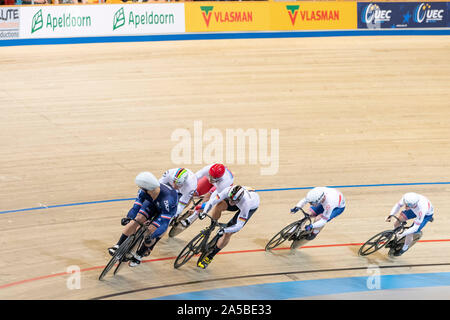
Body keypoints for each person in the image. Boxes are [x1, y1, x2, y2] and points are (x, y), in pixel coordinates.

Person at [108, 171, 178, 267]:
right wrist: (129, 217)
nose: (140, 189)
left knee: (151, 230)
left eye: (141, 187)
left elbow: (164, 223)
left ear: (147, 189)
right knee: (138, 218)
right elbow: (136, 206)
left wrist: (152, 236)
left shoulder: (167, 200)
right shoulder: (144, 191)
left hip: (165, 210)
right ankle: (118, 245)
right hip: (152, 204)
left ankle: (139, 254)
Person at [197, 185, 260, 269]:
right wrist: (204, 212)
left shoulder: (246, 203)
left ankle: (210, 256)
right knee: (219, 205)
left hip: (249, 206)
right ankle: (212, 225)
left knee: (229, 233)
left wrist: (225, 231)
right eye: (229, 199)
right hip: (237, 199)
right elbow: (212, 201)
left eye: (233, 201)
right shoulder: (227, 191)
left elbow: (239, 225)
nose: (230, 202)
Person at [180, 163, 234, 228]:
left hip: (220, 187)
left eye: (213, 179)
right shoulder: (208, 169)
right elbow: (194, 178)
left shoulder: (225, 183)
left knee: (208, 196)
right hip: (215, 179)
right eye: (210, 177)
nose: (211, 181)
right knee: (193, 192)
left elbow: (212, 200)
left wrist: (202, 209)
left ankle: (192, 218)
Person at [385, 192, 434, 256]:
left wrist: (403, 233)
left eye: (408, 206)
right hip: (414, 209)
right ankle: (396, 237)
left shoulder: (421, 210)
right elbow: (398, 206)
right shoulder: (407, 198)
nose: (405, 207)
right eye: (406, 204)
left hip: (425, 215)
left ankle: (404, 248)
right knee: (397, 221)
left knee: (410, 233)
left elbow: (415, 227)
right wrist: (391, 215)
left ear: (413, 204)